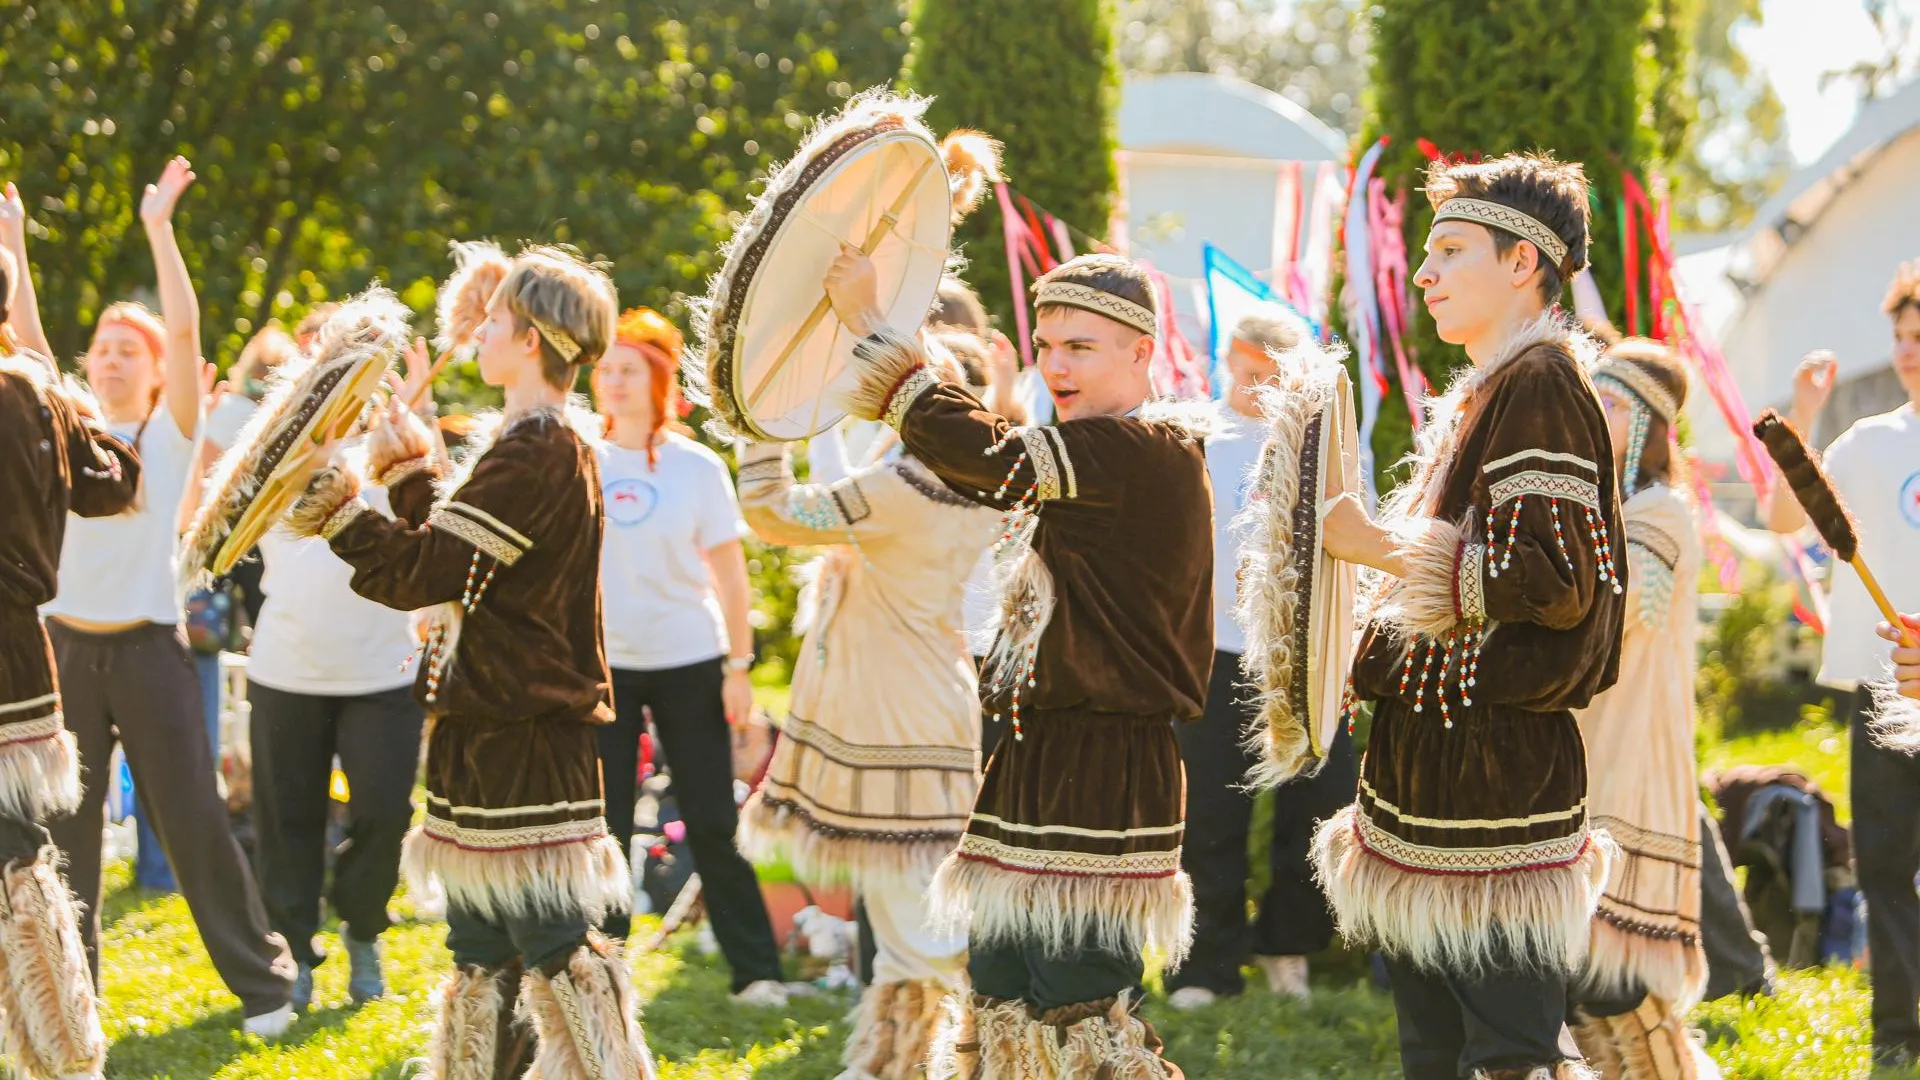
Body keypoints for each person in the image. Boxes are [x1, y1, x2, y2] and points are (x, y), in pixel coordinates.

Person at [824, 249, 1214, 1079]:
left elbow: (990, 459)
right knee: (1003, 991)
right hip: (1040, 752)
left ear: (1142, 352)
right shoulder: (1096, 450)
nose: (1057, 364)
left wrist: (873, 330)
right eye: (1049, 344)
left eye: (1084, 345)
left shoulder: (1140, 448)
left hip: (1110, 761)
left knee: (1079, 1006)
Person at [282, 250, 655, 1080]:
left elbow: (426, 574)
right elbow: (472, 567)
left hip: (525, 739)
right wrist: (414, 474)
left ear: (528, 340)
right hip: (494, 733)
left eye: (493, 322)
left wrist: (338, 508)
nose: (480, 332)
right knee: (486, 952)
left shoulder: (540, 451)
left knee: (555, 950)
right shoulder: (534, 446)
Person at [1309, 153, 1626, 1080]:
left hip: (1498, 774)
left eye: (1450, 250)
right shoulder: (1492, 388)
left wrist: (1375, 545)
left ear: (1524, 262)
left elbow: (1553, 582)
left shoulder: (1540, 383)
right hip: (1438, 767)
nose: (1423, 274)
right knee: (1437, 1052)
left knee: (1509, 1054)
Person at [38, 157, 298, 1037]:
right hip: (63, 651)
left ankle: (264, 985)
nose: (111, 359)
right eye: (101, 348)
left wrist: (160, 230)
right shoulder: (64, 425)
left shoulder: (173, 430)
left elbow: (186, 333)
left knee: (191, 819)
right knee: (64, 836)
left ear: (154, 371)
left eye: (128, 349)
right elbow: (30, 351)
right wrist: (13, 253)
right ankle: (74, 1004)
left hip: (149, 650)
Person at [734, 332, 999, 1080]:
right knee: (906, 922)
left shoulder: (902, 490)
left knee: (927, 930)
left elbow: (774, 511)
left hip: (898, 724)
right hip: (921, 714)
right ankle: (896, 1061)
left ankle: (994, 1052)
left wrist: (760, 421)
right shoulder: (953, 479)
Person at [589, 306, 787, 1004]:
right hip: (603, 666)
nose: (613, 381)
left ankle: (757, 971)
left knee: (710, 816)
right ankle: (603, 968)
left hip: (690, 658)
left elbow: (731, 576)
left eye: (628, 369)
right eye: (605, 369)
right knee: (604, 823)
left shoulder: (697, 466)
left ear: (660, 378)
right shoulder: (580, 456)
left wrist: (739, 667)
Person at [1164, 310, 1358, 1011]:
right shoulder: (1194, 435)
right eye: (1243, 375)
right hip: (1214, 651)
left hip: (1303, 655)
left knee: (1316, 805)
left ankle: (1286, 946)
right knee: (1211, 816)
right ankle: (1205, 967)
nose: (1253, 391)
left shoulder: (1327, 438)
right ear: (1225, 366)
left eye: (1268, 380)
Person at [244, 335, 442, 1013]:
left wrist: (424, 421)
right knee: (288, 821)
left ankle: (363, 927)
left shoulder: (392, 447)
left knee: (385, 813)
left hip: (382, 673)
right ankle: (295, 953)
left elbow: (436, 526)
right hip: (285, 672)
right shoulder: (270, 456)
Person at [1764, 259, 1920, 1068]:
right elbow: (1785, 513)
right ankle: (1897, 1032)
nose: (1907, 350)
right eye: (1899, 336)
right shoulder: (1870, 441)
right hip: (1883, 681)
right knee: (1887, 862)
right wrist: (1805, 414)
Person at [0, 207, 143, 1080]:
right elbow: (112, 479)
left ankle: (62, 1056)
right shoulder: (32, 395)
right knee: (17, 865)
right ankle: (59, 1053)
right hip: (22, 664)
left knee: (16, 864)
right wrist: (57, 391)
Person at [1567, 340, 1714, 1077]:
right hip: (1587, 741)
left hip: (1632, 745)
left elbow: (1610, 621)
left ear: (1653, 427)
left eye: (1617, 404)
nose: (1598, 413)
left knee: (1619, 978)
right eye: (1595, 397)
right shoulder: (1613, 507)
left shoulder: (1659, 512)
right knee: (1576, 981)